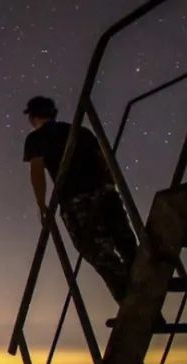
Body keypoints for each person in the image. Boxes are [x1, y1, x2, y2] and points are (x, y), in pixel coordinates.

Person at [22, 96, 139, 304]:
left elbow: (37, 172)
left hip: (77, 200)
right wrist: (110, 187)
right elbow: (102, 160)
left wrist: (42, 206)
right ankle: (144, 290)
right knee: (126, 243)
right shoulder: (80, 131)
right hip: (106, 193)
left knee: (97, 251)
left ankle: (133, 303)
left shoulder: (36, 138)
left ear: (33, 116)